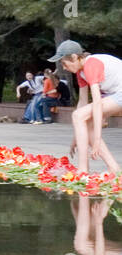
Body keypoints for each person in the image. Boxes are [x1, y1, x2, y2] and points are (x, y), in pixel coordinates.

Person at [50, 40, 122, 174]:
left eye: (64, 63)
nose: (64, 68)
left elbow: (97, 102)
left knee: (80, 116)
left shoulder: (91, 65)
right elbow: (82, 102)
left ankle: (83, 170)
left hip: (119, 92)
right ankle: (113, 168)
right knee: (82, 118)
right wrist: (76, 136)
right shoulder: (80, 71)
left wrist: (97, 138)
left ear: (74, 57)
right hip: (113, 94)